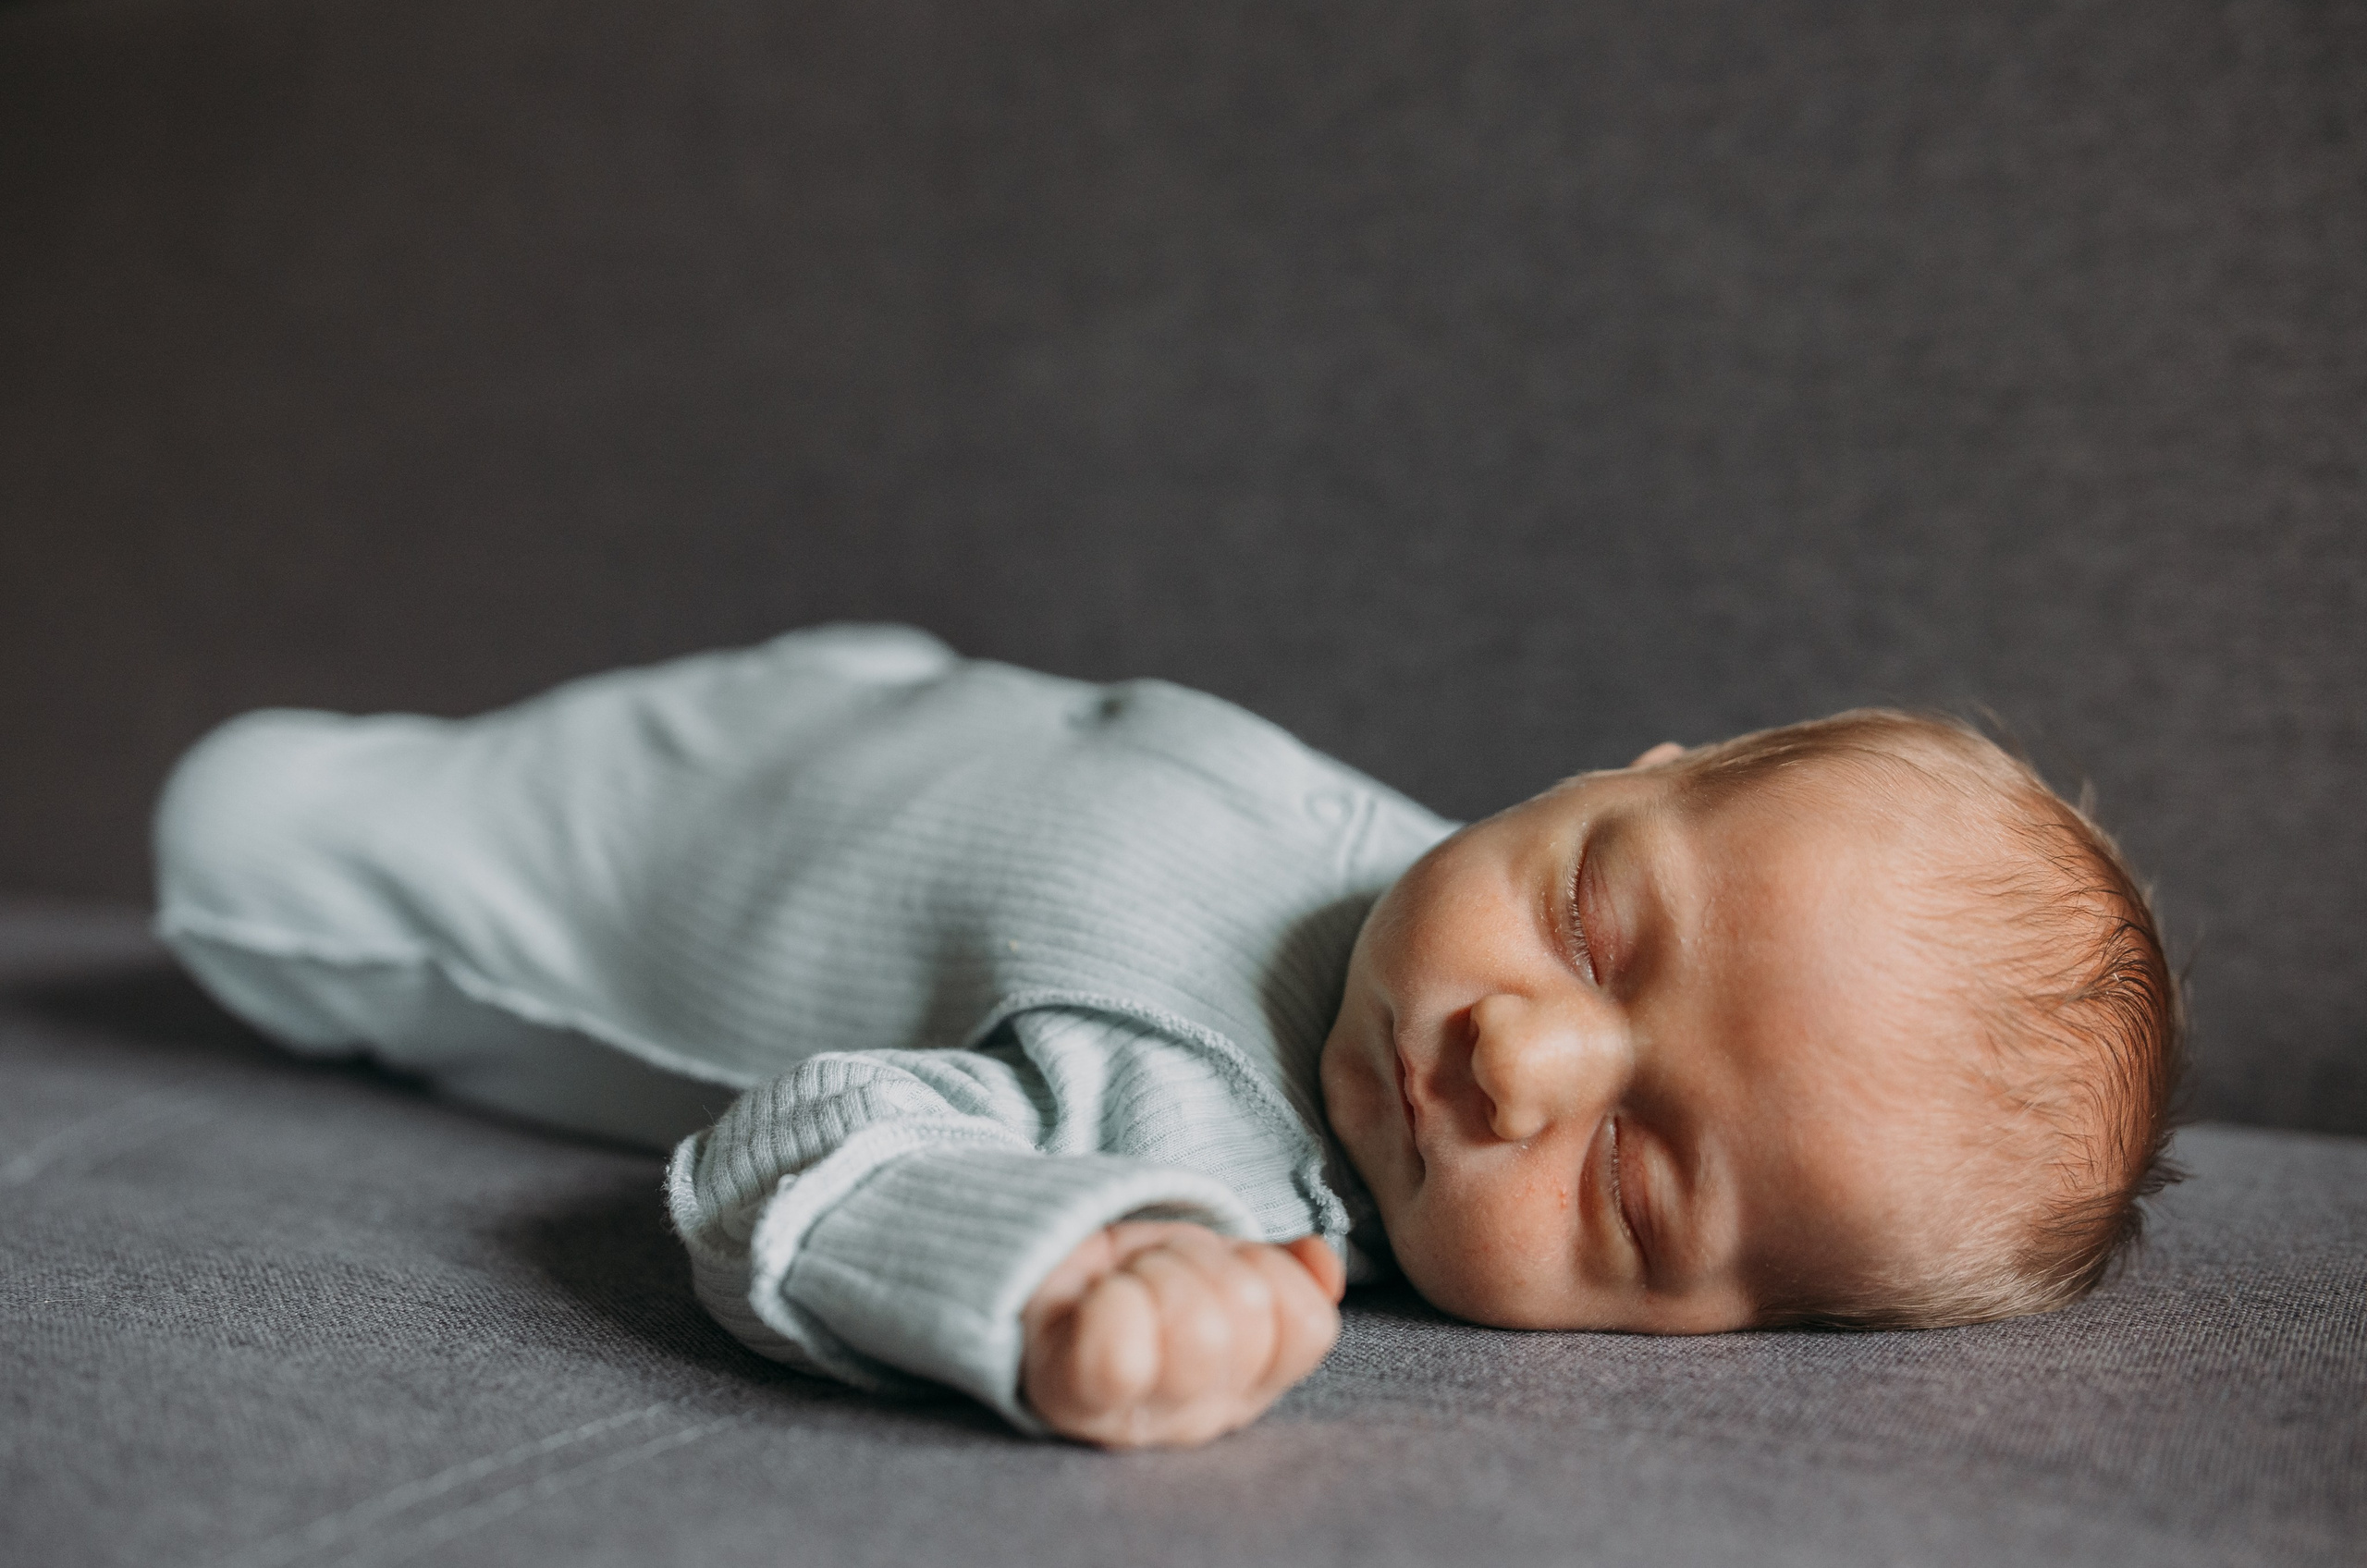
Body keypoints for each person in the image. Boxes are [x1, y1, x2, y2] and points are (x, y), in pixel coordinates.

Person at [152, 625, 2182, 1450]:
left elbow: (800, 1148)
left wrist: (1068, 1263)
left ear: (1709, 1337)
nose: (1517, 1057)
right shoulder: (1399, 866)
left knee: (233, 814)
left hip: (546, 886)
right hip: (833, 692)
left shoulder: (1206, 1154)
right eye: (1592, 916)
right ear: (1629, 773)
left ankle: (294, 844)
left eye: (1630, 1179)